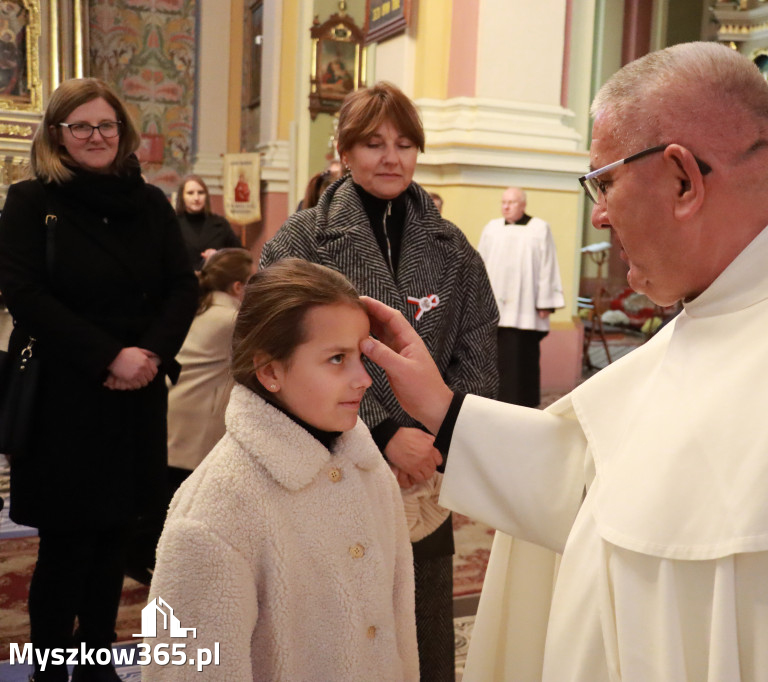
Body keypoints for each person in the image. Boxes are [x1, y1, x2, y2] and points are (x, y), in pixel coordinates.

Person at [359, 42, 768, 681]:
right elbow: (594, 477)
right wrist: (444, 410)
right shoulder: (734, 304)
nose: (600, 220)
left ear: (682, 178)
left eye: (604, 184)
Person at [261, 80, 498, 681]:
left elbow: (477, 355)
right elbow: (272, 363)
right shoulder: (301, 241)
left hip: (426, 478)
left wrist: (440, 440)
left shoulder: (453, 249)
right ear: (344, 151)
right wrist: (384, 430)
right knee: (338, 633)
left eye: (404, 143)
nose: (391, 157)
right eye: (373, 143)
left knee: (422, 636)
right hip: (332, 468)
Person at [0, 77, 197, 682]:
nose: (95, 136)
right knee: (67, 543)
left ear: (123, 132)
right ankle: (52, 665)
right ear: (56, 134)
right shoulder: (32, 201)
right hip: (66, 388)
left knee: (117, 530)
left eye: (106, 125)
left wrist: (151, 358)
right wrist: (109, 355)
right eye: (80, 126)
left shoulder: (151, 203)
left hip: (136, 391)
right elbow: (24, 293)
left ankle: (97, 663)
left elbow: (182, 287)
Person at [145, 259, 416, 681]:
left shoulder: (367, 468)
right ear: (270, 370)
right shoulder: (215, 514)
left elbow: (396, 627)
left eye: (361, 356)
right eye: (336, 359)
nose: (364, 379)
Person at [166, 247, 253, 492]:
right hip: (198, 420)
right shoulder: (233, 319)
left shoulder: (197, 308)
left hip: (175, 411)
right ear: (238, 287)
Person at [478, 187, 564, 406]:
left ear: (523, 205)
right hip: (495, 306)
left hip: (525, 308)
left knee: (521, 356)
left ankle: (523, 401)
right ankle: (494, 398)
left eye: (512, 202)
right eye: (503, 202)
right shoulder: (491, 228)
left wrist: (545, 302)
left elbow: (548, 265)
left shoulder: (539, 228)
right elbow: (480, 264)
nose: (506, 206)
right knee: (494, 356)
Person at [174, 174, 241, 270]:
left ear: (206, 195)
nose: (196, 198)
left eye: (201, 192)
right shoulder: (173, 224)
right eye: (190, 193)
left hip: (215, 281)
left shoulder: (221, 224)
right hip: (183, 281)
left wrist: (218, 255)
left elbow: (240, 255)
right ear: (182, 196)